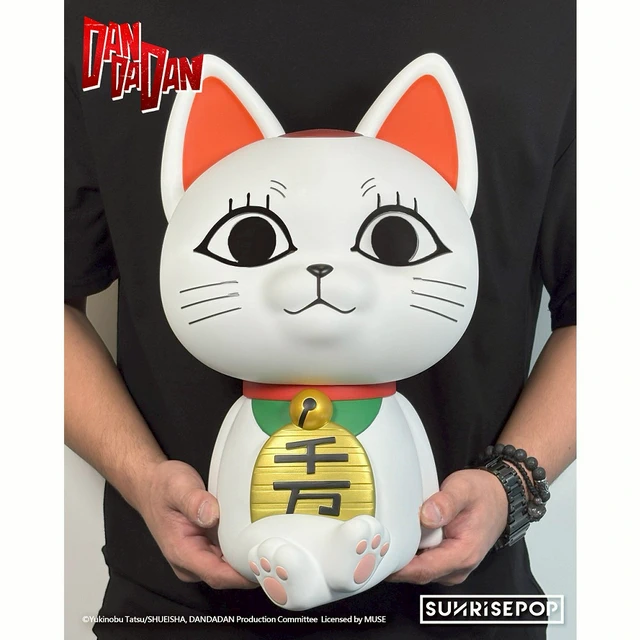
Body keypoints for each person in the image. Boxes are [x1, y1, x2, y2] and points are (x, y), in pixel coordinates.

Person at [64, 1, 576, 638]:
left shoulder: (554, 21)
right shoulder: (103, 18)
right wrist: (142, 479)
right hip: (176, 610)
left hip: (465, 612)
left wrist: (512, 486)